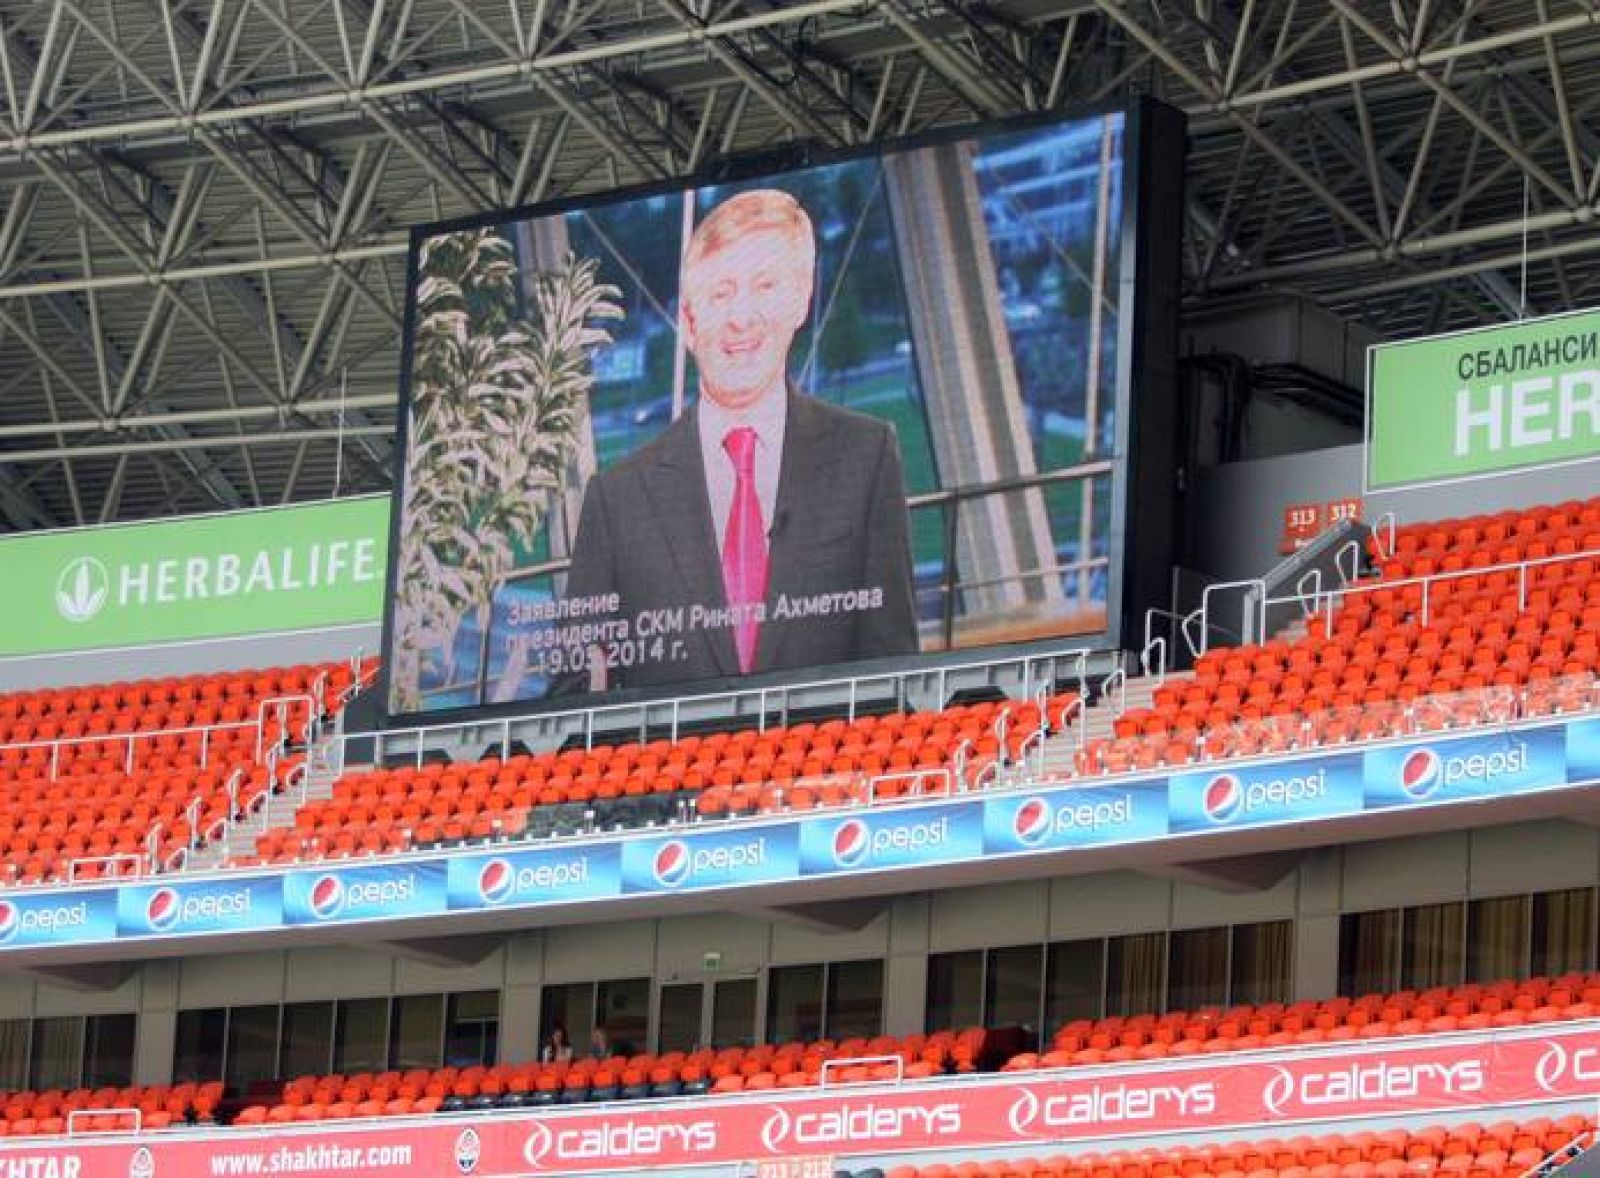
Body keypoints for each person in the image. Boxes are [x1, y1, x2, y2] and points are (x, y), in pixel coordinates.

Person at [559, 188, 919, 692]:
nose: (740, 317)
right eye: (721, 293)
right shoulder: (617, 499)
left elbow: (892, 666)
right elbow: (572, 699)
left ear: (800, 301)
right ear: (688, 321)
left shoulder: (867, 455)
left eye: (765, 285)